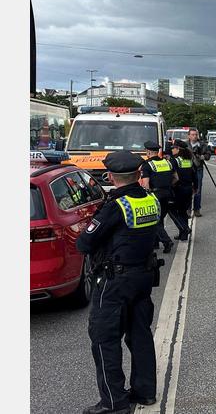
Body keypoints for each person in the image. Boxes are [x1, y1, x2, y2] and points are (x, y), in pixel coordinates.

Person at [76, 151, 161, 414]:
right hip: (143, 277)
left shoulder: (115, 206)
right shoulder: (151, 199)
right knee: (140, 335)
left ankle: (113, 403)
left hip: (115, 281)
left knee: (105, 339)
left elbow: (85, 243)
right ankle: (145, 392)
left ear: (111, 177)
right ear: (138, 175)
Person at [139, 141, 177, 254]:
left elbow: (146, 184)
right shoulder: (167, 162)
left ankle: (166, 241)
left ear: (148, 151)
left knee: (155, 221)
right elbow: (176, 178)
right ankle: (155, 243)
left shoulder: (147, 165)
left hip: (155, 196)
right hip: (168, 194)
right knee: (159, 220)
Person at [169, 140, 196, 241]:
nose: (172, 149)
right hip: (188, 189)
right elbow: (194, 175)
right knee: (183, 211)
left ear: (178, 149)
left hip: (178, 189)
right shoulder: (189, 160)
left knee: (175, 211)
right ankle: (183, 235)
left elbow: (172, 176)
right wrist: (195, 187)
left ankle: (185, 229)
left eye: (173, 148)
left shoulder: (175, 160)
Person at [187, 128, 208, 218]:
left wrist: (203, 156)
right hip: (187, 169)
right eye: (192, 134)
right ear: (189, 135)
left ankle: (197, 209)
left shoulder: (202, 144)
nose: (194, 136)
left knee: (198, 189)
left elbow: (208, 154)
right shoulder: (185, 144)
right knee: (188, 190)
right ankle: (188, 209)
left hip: (198, 168)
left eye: (196, 134)